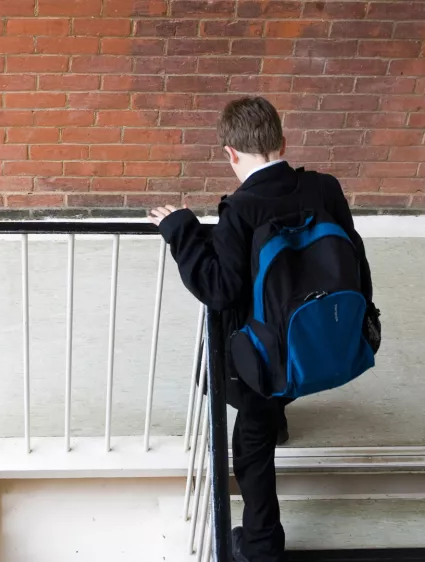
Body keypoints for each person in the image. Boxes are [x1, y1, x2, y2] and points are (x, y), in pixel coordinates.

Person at [148, 96, 374, 562]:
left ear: (230, 153)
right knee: (275, 391)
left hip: (263, 358)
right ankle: (281, 416)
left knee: (249, 449)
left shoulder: (242, 210)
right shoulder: (325, 188)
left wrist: (182, 230)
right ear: (281, 142)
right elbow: (355, 257)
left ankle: (261, 546)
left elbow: (218, 288)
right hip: (319, 335)